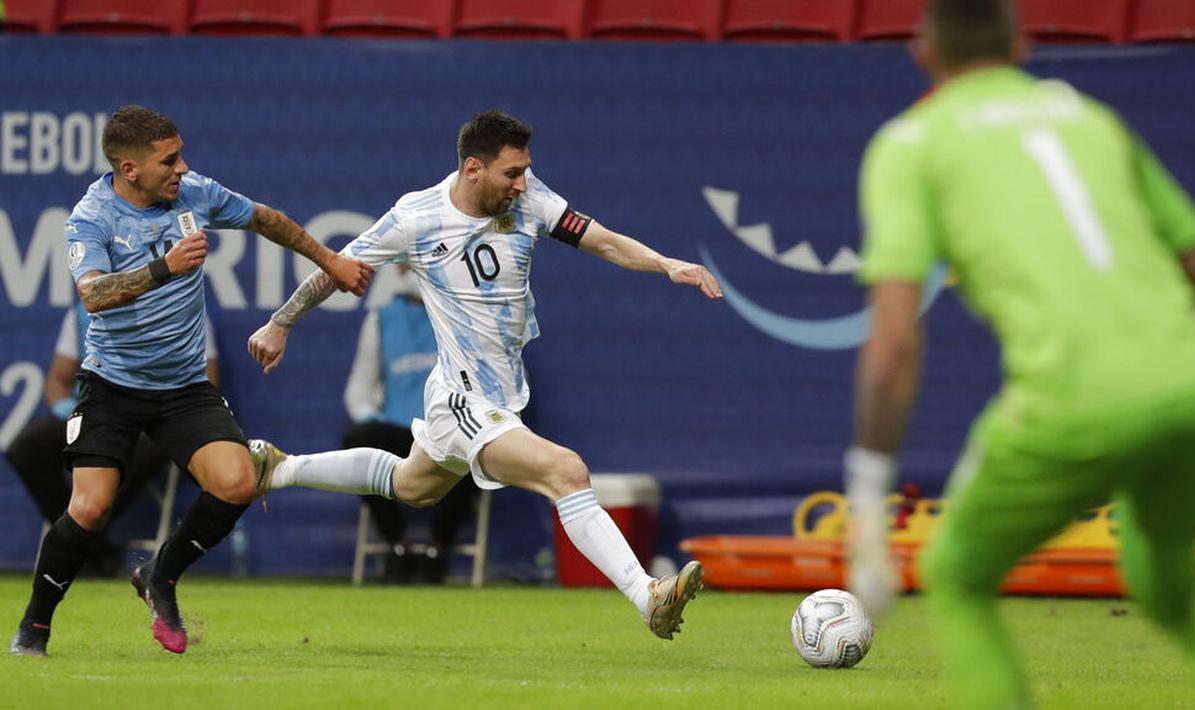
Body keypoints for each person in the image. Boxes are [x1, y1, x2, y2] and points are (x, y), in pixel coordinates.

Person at [843, 0, 1195, 706]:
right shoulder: (1091, 120)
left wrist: (867, 506)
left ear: (921, 53)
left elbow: (893, 343)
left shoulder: (909, 144)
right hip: (1192, 388)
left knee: (958, 573)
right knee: (1166, 582)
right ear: (1021, 46)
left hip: (1072, 401)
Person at [247, 110, 720, 639]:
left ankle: (280, 469)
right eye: (511, 173)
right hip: (460, 398)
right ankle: (645, 594)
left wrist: (666, 264)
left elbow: (603, 240)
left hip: (500, 397)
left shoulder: (531, 199)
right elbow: (335, 268)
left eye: (525, 171)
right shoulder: (416, 217)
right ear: (473, 168)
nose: (523, 184)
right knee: (566, 472)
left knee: (413, 485)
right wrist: (279, 323)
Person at [9, 104, 374, 657]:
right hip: (111, 386)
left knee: (236, 482)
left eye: (180, 156)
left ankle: (161, 574)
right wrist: (166, 267)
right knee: (88, 508)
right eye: (169, 160)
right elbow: (94, 295)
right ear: (129, 169)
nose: (182, 169)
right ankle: (35, 623)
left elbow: (265, 218)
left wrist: (331, 260)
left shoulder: (194, 193)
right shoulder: (91, 218)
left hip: (182, 388)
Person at [4, 304, 221, 576]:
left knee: (146, 450)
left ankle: (79, 545)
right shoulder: (82, 314)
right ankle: (96, 550)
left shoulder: (189, 311)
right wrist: (73, 413)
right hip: (95, 415)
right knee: (27, 447)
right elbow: (57, 381)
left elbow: (207, 381)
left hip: (154, 423)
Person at [343, 266, 478, 584]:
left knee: (478, 449)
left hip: (453, 430)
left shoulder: (467, 316)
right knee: (360, 441)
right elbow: (358, 391)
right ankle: (397, 546)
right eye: (405, 264)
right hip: (399, 430)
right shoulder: (381, 318)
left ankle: (438, 549)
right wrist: (369, 417)